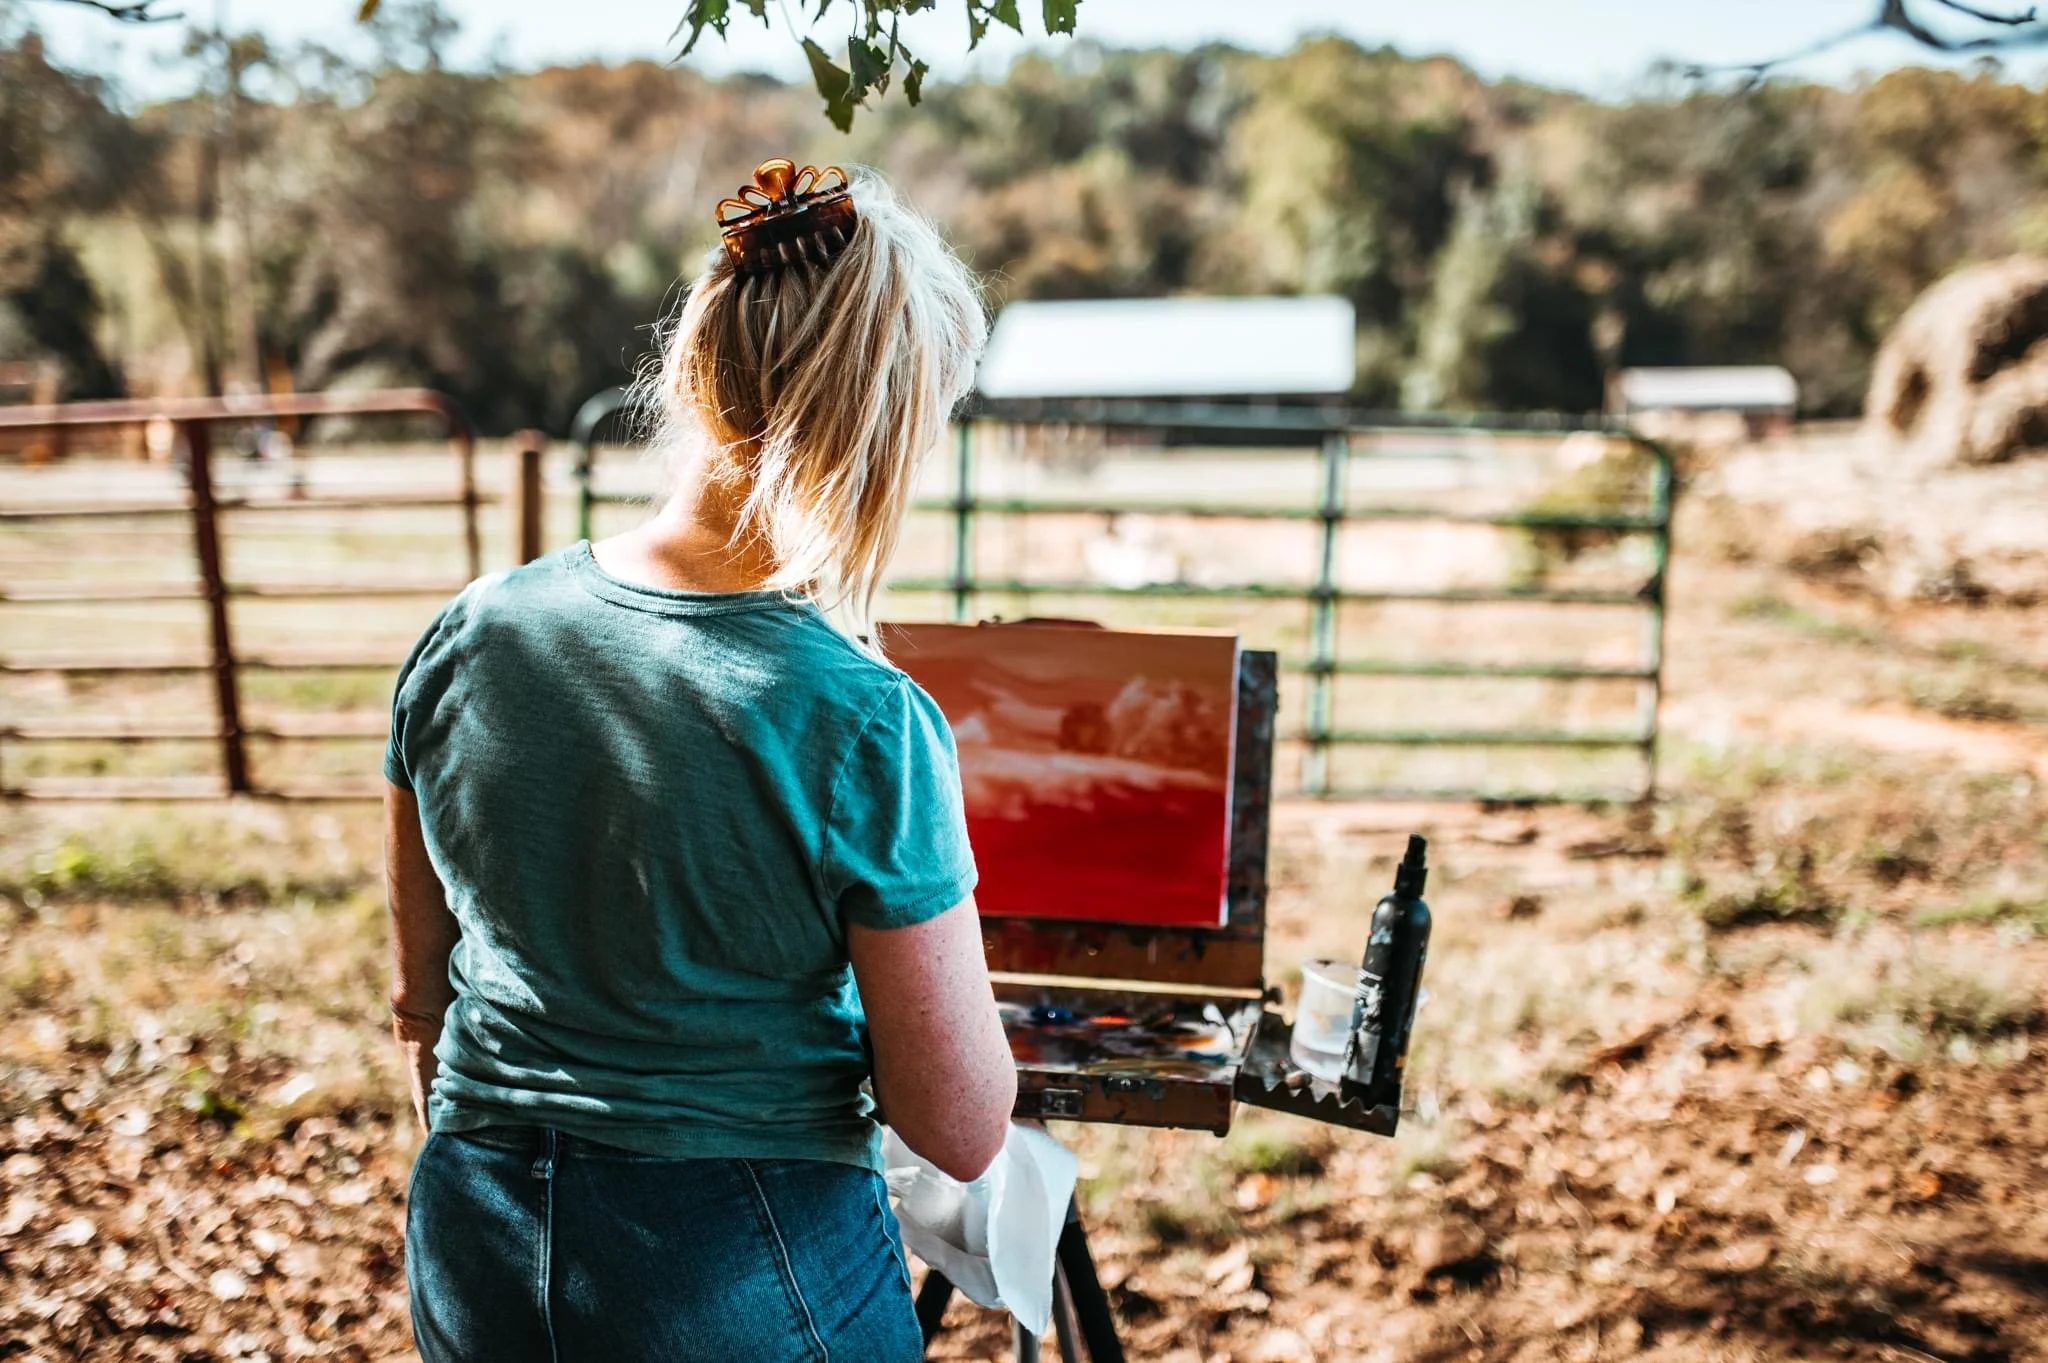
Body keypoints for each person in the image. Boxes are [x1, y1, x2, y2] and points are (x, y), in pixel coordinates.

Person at [384, 160, 1016, 1362]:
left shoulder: (474, 628)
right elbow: (960, 1125)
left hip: (475, 1227)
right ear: (881, 431)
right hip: (734, 1254)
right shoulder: (862, 715)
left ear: (697, 372)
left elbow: (424, 996)